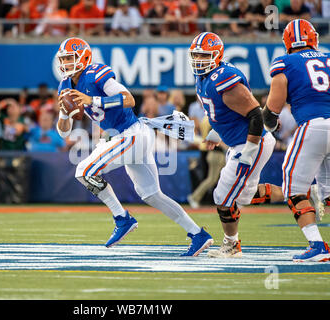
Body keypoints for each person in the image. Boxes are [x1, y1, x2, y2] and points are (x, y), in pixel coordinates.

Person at [56, 37, 213, 256]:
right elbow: (64, 131)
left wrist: (93, 101)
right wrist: (65, 111)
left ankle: (122, 219)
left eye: (69, 58)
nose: (65, 64)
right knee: (151, 195)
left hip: (131, 134)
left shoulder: (95, 74)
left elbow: (129, 99)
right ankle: (198, 234)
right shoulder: (64, 86)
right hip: (128, 137)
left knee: (84, 171)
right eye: (63, 59)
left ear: (84, 58)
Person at [251, 19, 330, 262]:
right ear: (314, 38)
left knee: (294, 192)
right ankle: (317, 245)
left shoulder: (285, 62)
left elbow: (272, 110)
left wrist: (270, 125)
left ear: (287, 42)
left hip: (313, 126)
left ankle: (317, 246)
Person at [189, 32, 275, 258]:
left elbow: (256, 115)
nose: (199, 60)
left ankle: (231, 245)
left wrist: (249, 150)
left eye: (204, 55)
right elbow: (224, 115)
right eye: (196, 55)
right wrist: (216, 134)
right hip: (240, 142)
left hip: (250, 141)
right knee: (245, 197)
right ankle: (299, 193)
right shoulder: (203, 78)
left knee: (222, 197)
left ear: (216, 55)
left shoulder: (223, 77)